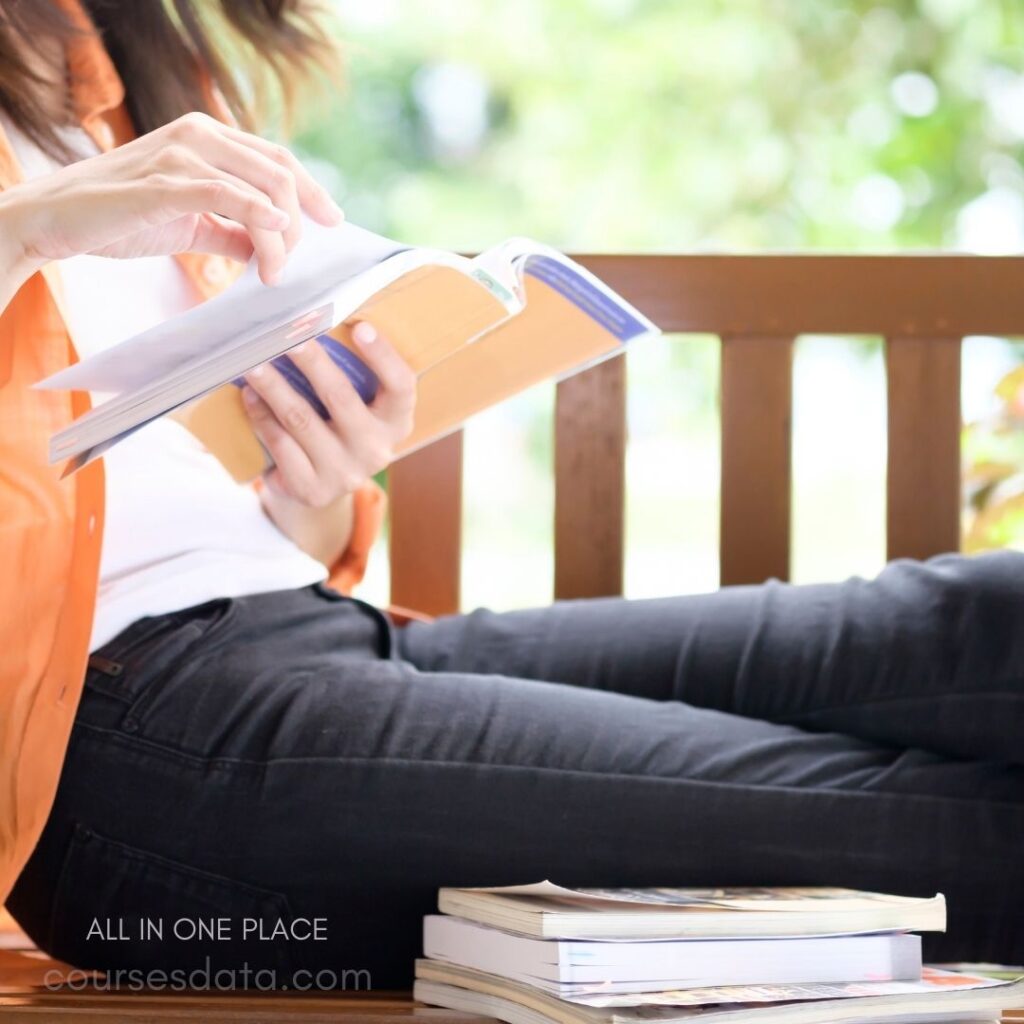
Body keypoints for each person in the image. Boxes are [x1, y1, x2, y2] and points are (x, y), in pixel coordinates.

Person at [1, 0, 1021, 993]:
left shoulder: (114, 56)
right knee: (913, 818)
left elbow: (255, 524)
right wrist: (28, 226)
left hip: (308, 637)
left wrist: (316, 471)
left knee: (968, 619)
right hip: (126, 756)